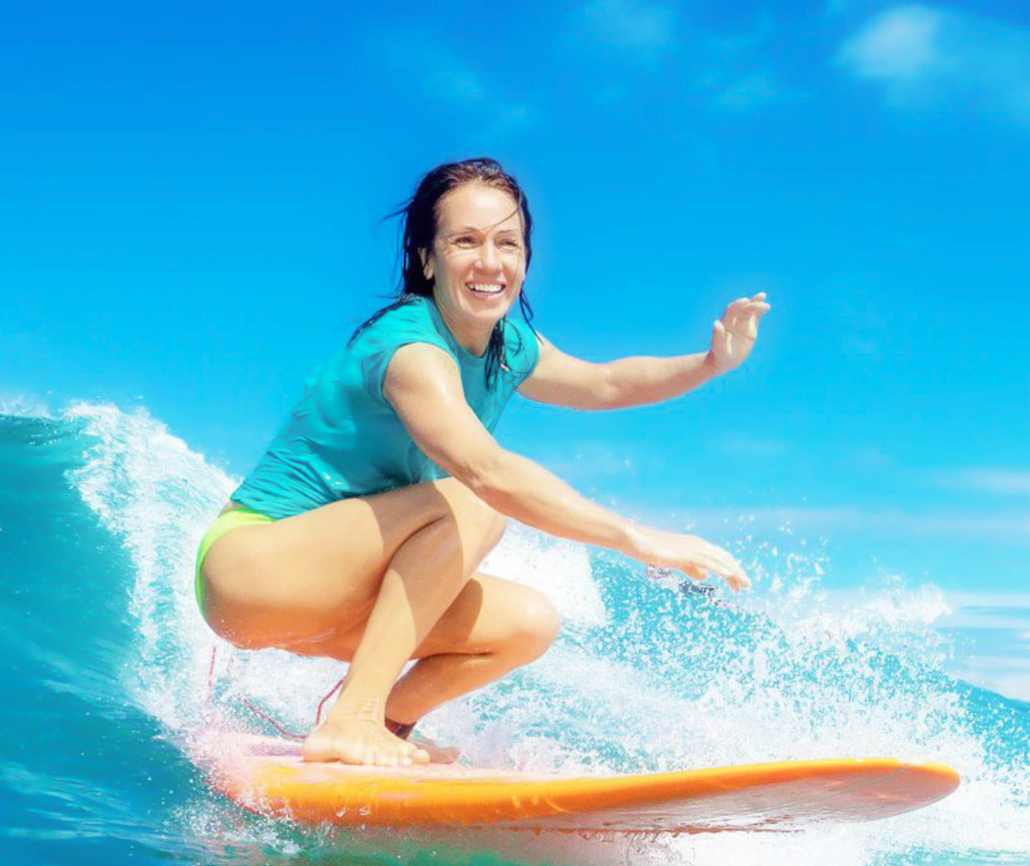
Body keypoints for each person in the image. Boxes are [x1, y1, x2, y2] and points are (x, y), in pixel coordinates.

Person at [194, 157, 768, 768]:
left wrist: (710, 364)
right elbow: (486, 473)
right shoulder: (410, 350)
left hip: (337, 593)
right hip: (253, 569)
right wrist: (636, 538)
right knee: (472, 500)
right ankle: (350, 719)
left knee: (527, 623)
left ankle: (385, 725)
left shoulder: (507, 346)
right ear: (427, 259)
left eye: (507, 243)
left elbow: (604, 384)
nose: (490, 262)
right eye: (465, 241)